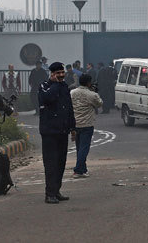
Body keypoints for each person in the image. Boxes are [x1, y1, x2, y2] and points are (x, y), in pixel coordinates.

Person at [39, 62, 75, 204]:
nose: (60, 75)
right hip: (49, 132)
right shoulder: (45, 86)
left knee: (61, 162)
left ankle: (57, 190)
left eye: (62, 73)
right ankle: (50, 194)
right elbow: (47, 99)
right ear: (52, 74)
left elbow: (69, 108)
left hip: (62, 131)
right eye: (57, 73)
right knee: (51, 163)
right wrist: (54, 84)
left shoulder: (64, 87)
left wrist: (72, 128)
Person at [70, 73, 102, 178]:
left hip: (75, 124)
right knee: (84, 148)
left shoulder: (72, 93)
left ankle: (83, 169)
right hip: (87, 124)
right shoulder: (91, 95)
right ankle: (78, 170)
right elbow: (99, 104)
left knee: (79, 148)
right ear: (88, 83)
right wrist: (95, 92)